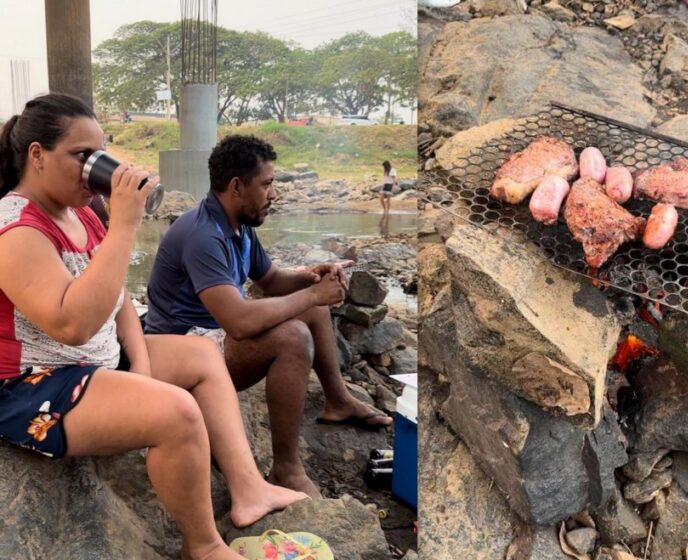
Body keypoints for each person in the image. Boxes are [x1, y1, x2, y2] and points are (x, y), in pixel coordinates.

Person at [0, 93, 307, 560]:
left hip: (96, 360)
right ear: (37, 155)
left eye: (100, 153)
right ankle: (203, 547)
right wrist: (125, 225)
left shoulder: (82, 211)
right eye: (83, 156)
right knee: (176, 413)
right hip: (35, 382)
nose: (95, 167)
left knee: (203, 354)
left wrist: (139, 367)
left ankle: (248, 488)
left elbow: (119, 296)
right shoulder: (16, 228)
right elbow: (72, 325)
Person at [144, 135, 393, 499]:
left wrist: (311, 278)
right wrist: (312, 293)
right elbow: (239, 323)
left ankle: (337, 400)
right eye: (267, 185)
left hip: (211, 337)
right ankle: (286, 468)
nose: (273, 194)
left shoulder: (238, 224)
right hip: (181, 355)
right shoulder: (202, 236)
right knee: (293, 337)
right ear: (236, 187)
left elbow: (272, 280)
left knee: (311, 305)